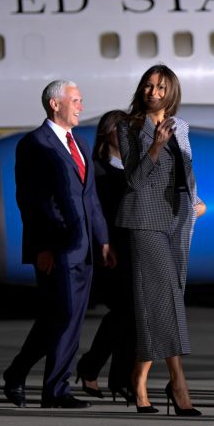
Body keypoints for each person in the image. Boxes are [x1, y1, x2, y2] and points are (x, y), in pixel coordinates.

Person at [3, 80, 114, 409]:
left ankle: (17, 372)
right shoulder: (35, 144)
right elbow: (31, 201)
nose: (81, 106)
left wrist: (104, 240)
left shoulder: (79, 143)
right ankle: (55, 390)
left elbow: (90, 199)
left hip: (85, 247)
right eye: (76, 100)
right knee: (63, 315)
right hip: (57, 248)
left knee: (63, 318)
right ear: (55, 104)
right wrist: (42, 248)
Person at [115, 64, 205, 416]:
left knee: (164, 299)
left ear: (172, 91)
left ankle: (137, 379)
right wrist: (154, 146)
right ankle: (178, 383)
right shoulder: (128, 126)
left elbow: (187, 170)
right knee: (167, 297)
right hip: (144, 220)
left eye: (161, 87)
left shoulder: (181, 126)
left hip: (178, 219)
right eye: (149, 86)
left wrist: (196, 201)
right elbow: (134, 181)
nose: (153, 92)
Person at [75, 110, 136, 404]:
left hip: (138, 247)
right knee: (126, 311)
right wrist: (104, 244)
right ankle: (101, 370)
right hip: (112, 250)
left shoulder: (138, 165)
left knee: (132, 315)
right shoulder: (97, 170)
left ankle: (106, 373)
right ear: (108, 134)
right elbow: (95, 214)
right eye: (121, 129)